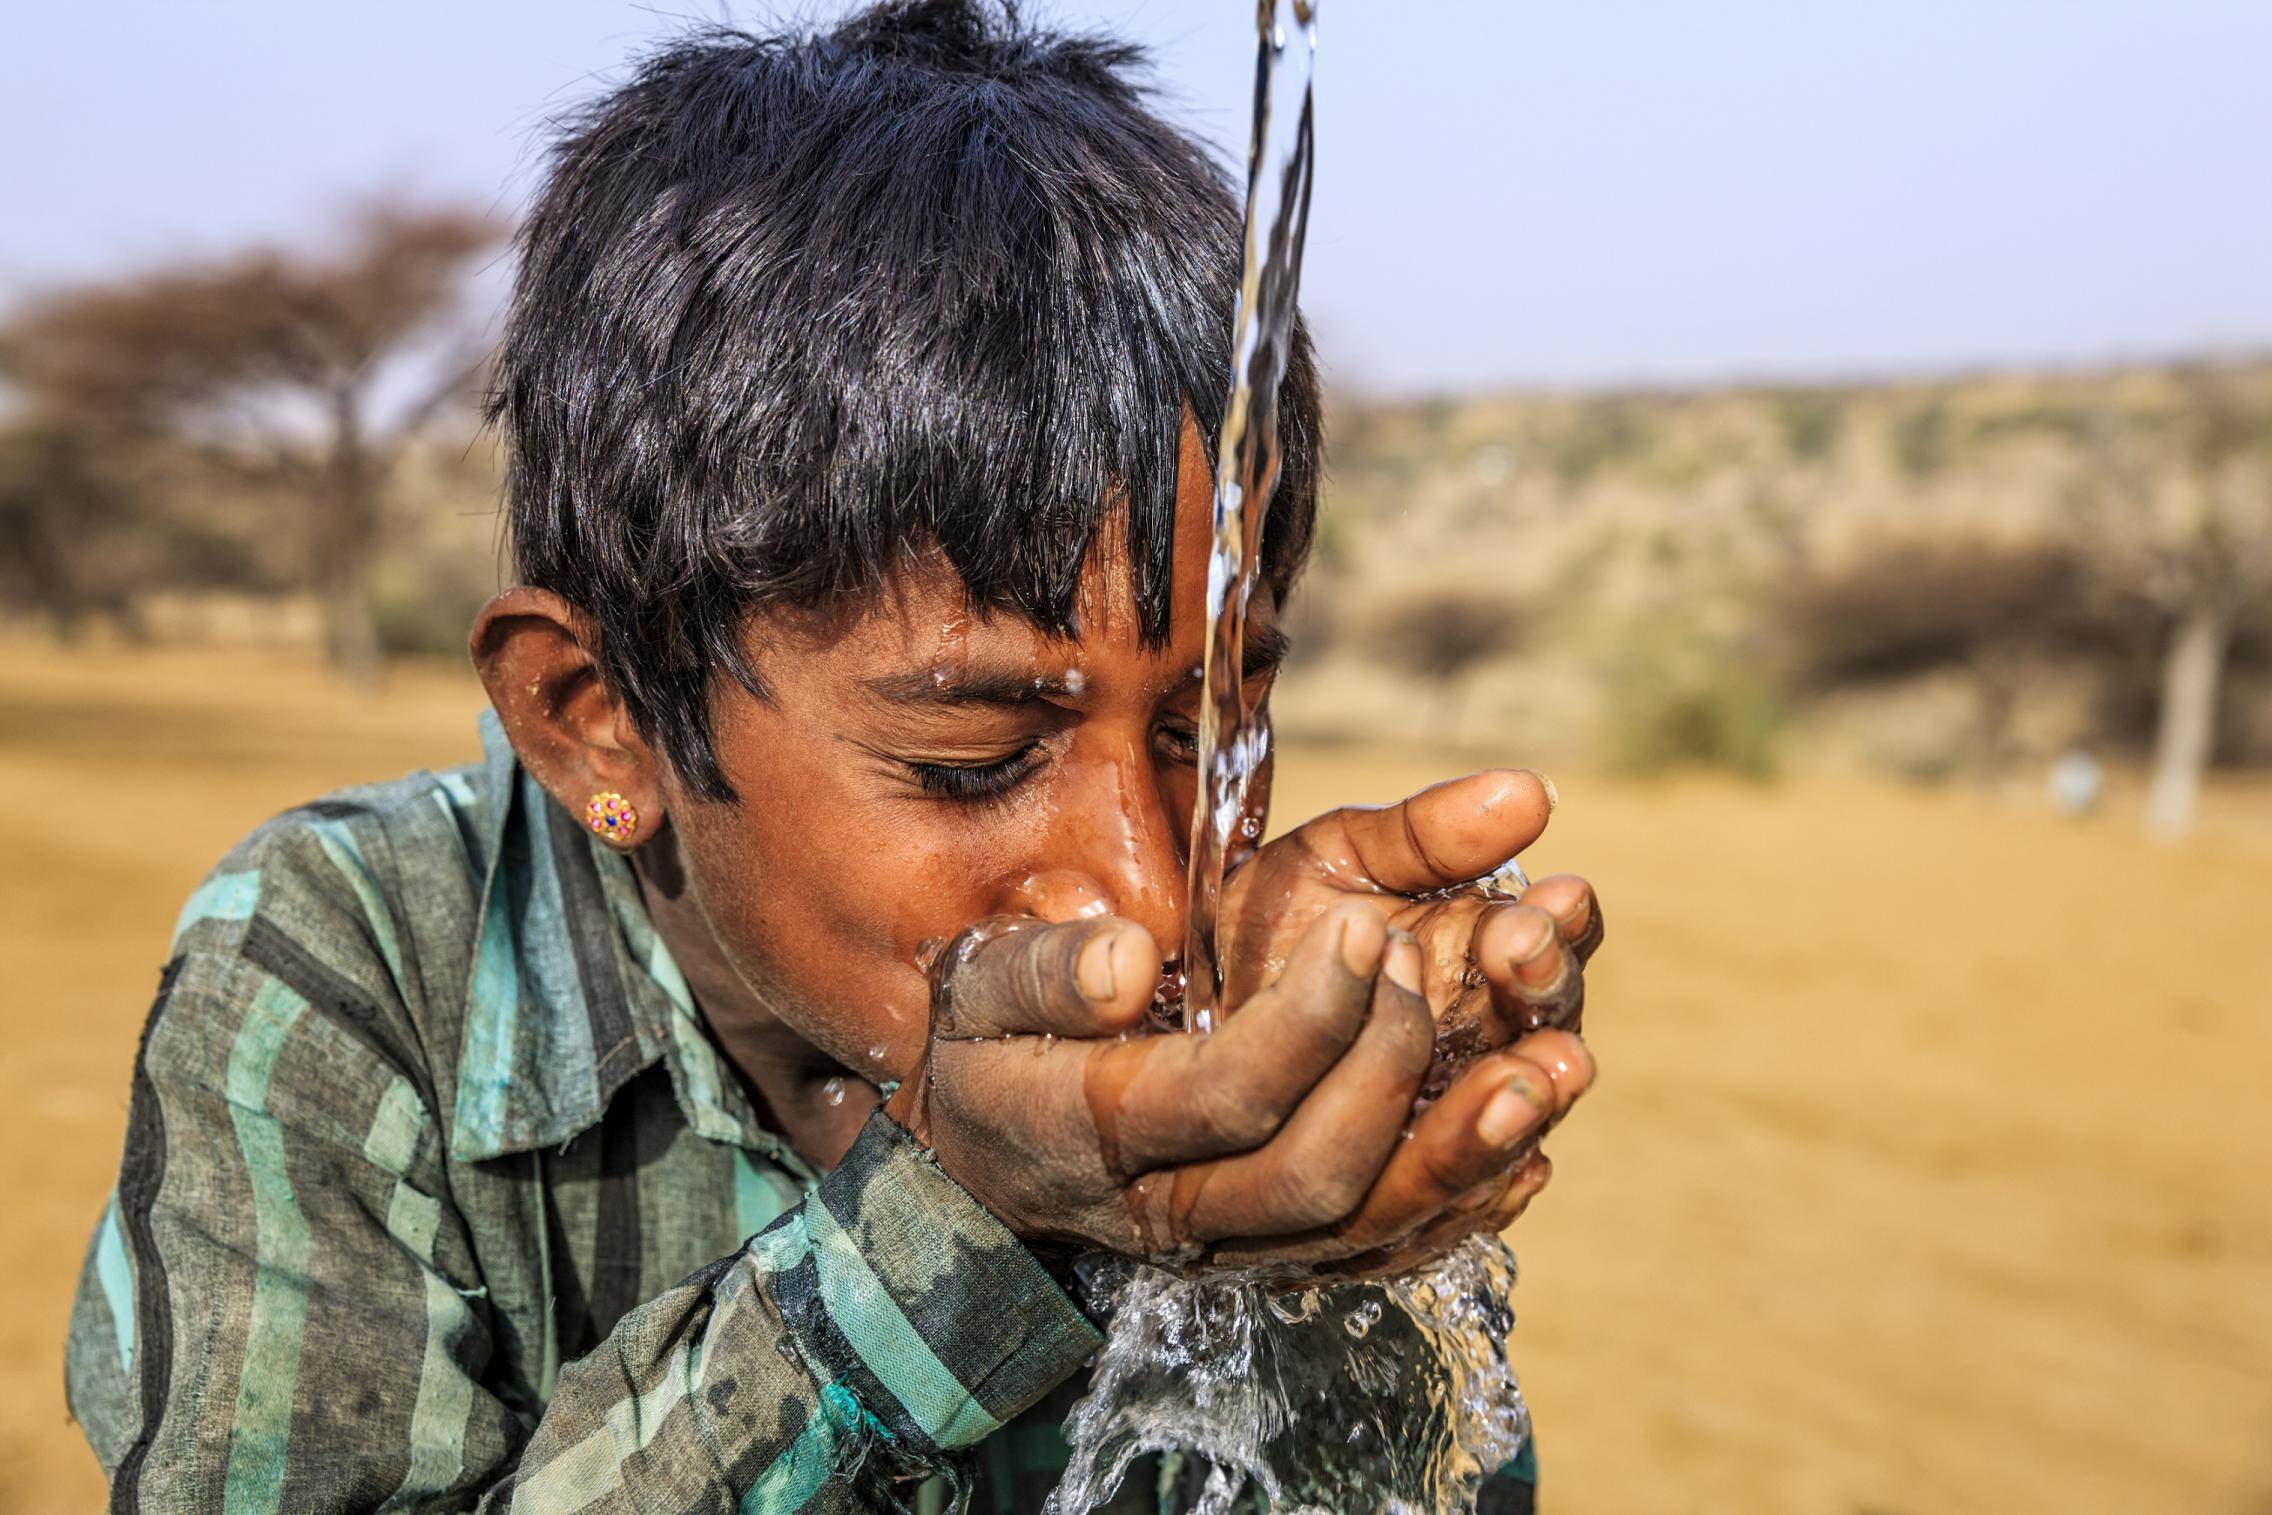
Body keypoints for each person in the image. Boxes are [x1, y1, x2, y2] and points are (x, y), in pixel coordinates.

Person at [64, 3, 1603, 1509]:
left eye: (1207, 735)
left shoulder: (1228, 992)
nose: (1144, 899)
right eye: (976, 760)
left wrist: (1338, 1213)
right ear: (598, 717)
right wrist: (963, 1231)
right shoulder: (352, 972)